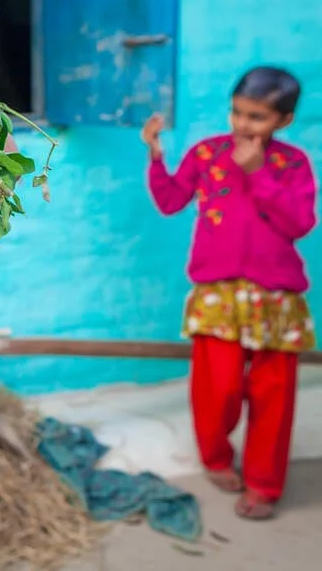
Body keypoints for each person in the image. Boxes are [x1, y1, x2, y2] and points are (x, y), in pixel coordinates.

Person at [142, 66, 316, 521]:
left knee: (273, 399)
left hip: (276, 299)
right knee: (215, 391)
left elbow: (299, 223)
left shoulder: (292, 163)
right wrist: (156, 157)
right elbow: (170, 201)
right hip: (217, 295)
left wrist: (258, 173)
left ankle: (263, 484)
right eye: (237, 112)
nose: (242, 124)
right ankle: (216, 457)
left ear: (283, 120)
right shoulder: (208, 153)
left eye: (257, 117)